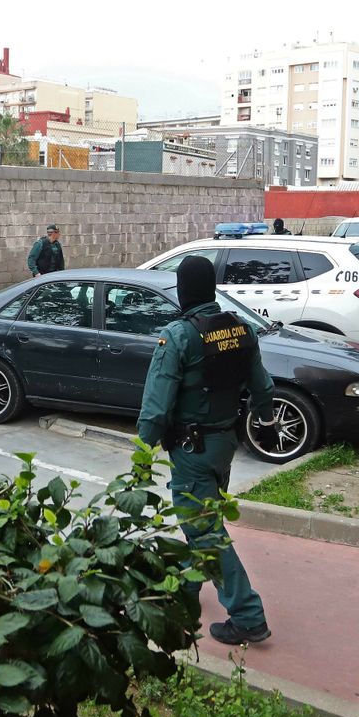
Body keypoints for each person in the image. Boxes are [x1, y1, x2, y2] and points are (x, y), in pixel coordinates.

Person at [138, 256, 277, 646]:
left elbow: (157, 406)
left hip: (191, 449)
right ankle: (185, 586)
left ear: (183, 290)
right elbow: (263, 388)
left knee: (204, 529)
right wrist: (264, 418)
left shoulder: (178, 336)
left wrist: (142, 453)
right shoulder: (241, 329)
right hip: (224, 445)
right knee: (201, 518)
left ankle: (247, 615)